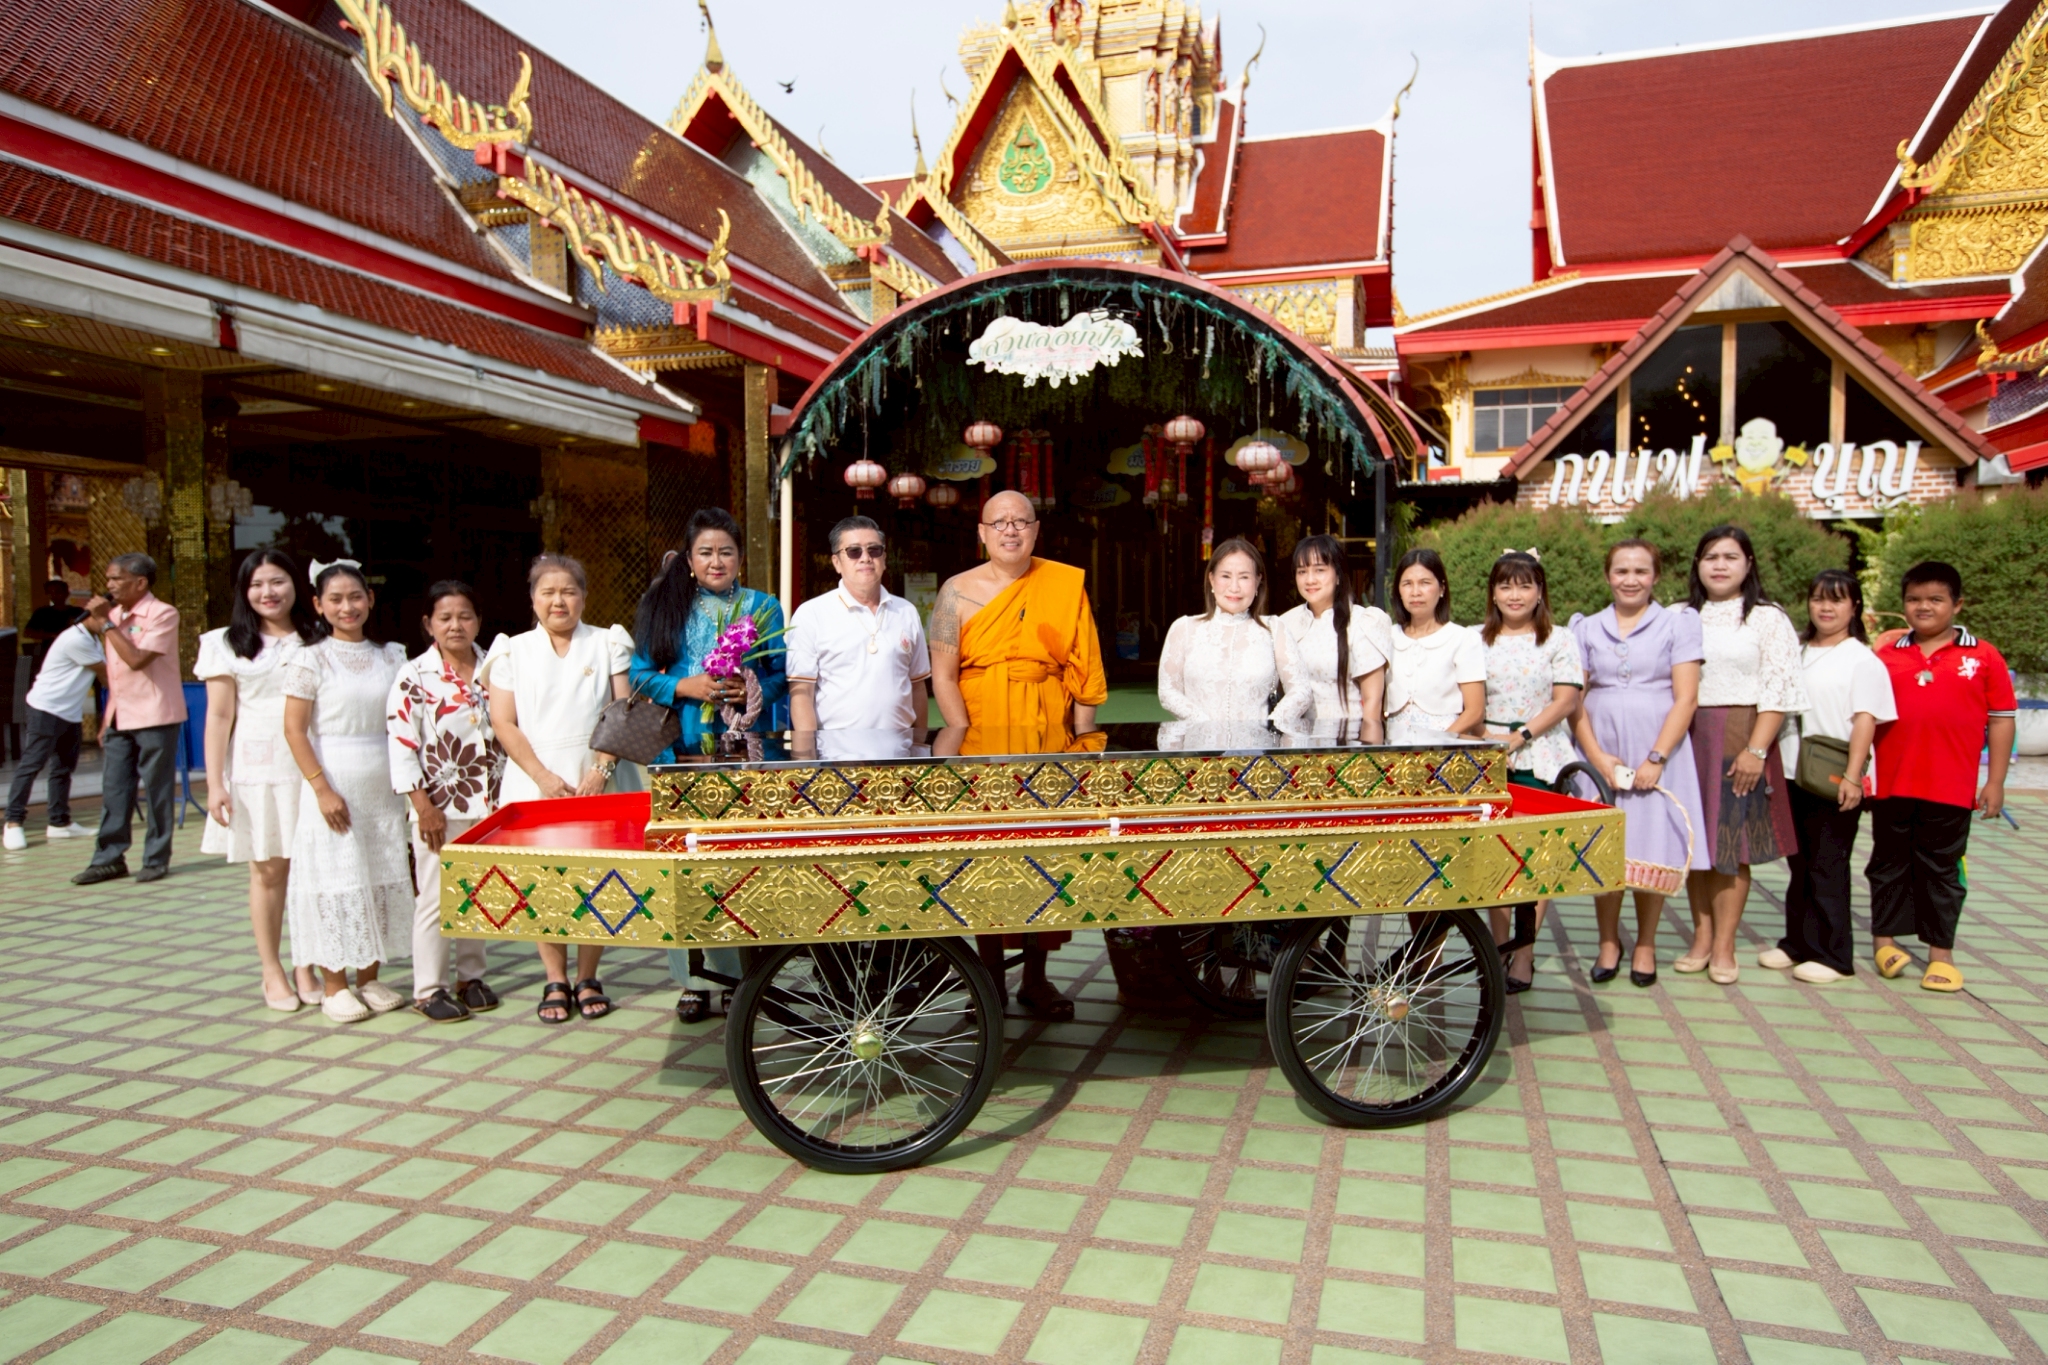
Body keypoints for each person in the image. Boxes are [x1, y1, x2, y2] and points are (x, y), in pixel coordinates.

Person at [930, 489, 1107, 1020]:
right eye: (999, 522)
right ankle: (987, 979)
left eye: (1020, 521)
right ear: (981, 532)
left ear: (1035, 530)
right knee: (985, 853)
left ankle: (1036, 978)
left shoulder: (1064, 584)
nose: (1010, 530)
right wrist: (960, 734)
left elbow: (1085, 669)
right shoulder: (954, 591)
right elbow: (942, 674)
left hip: (1048, 732)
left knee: (1045, 853)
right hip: (980, 733)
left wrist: (1082, 744)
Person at [629, 509, 788, 1022]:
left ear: (740, 557)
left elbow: (782, 675)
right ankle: (694, 980)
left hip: (747, 757)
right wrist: (685, 685)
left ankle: (750, 977)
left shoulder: (763, 607)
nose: (716, 561)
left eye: (725, 551)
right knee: (687, 868)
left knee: (746, 865)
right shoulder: (665, 605)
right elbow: (638, 675)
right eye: (705, 552)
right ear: (690, 560)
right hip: (683, 755)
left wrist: (751, 687)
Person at [488, 553, 633, 1024]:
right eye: (548, 592)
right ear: (532, 599)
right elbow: (503, 722)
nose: (559, 601)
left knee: (597, 878)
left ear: (584, 597)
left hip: (599, 774)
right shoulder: (511, 651)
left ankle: (589, 976)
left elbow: (622, 710)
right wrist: (542, 777)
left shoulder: (607, 641)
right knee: (544, 880)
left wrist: (602, 768)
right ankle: (555, 977)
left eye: (568, 591)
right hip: (534, 778)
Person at [1866, 561, 2015, 993]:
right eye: (1914, 599)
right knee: (1888, 863)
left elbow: (2002, 719)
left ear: (1957, 604)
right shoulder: (1884, 656)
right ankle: (1884, 942)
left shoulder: (1983, 656)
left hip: (1951, 788)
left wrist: (1995, 782)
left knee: (1943, 870)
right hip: (1891, 784)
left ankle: (1940, 954)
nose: (1924, 607)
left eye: (1935, 599)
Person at [1569, 539, 1708, 988]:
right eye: (1621, 571)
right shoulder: (1587, 628)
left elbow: (1686, 697)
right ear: (1608, 576)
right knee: (1605, 850)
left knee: (1652, 850)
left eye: (1641, 571)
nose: (1631, 580)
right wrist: (1596, 757)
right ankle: (1608, 941)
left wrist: (1656, 757)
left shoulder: (1676, 624)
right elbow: (1574, 699)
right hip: (1603, 747)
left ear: (1655, 577)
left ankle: (1646, 943)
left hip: (1658, 749)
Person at [280, 560, 412, 1023]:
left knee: (377, 875)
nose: (347, 607)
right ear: (318, 605)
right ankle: (334, 985)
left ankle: (369, 978)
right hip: (334, 782)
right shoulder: (309, 658)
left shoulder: (392, 655)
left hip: (383, 786)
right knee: (336, 881)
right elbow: (294, 730)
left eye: (355, 596)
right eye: (335, 599)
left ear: (370, 599)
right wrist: (322, 790)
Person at [199, 550, 323, 1012]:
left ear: (295, 586)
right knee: (268, 872)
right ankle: (272, 970)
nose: (268, 593)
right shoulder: (224, 643)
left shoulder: (318, 637)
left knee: (312, 869)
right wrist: (215, 783)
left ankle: (307, 963)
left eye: (277, 582)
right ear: (243, 591)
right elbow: (219, 717)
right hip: (258, 770)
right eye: (256, 584)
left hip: (313, 768)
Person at [1680, 526, 1805, 985]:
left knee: (1732, 844)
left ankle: (1725, 946)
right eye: (1710, 556)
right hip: (1688, 737)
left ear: (1748, 564)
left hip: (1741, 735)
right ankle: (1701, 938)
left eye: (1730, 557)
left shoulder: (1767, 618)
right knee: (1695, 844)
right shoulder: (1680, 615)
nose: (1720, 565)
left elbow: (1778, 688)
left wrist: (1756, 749)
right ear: (1697, 564)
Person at [1767, 571, 1894, 984]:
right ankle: (1797, 943)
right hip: (1791, 771)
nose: (1826, 608)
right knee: (1799, 863)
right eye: (1819, 598)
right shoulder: (1798, 651)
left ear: (1854, 607)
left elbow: (1865, 721)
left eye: (1837, 600)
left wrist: (1853, 777)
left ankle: (1834, 955)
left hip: (1833, 774)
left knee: (1828, 864)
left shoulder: (1862, 660)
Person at [388, 580, 505, 1023]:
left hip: (491, 804)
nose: (456, 625)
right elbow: (401, 744)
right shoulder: (414, 675)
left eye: (465, 616)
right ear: (428, 624)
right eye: (445, 618)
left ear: (478, 620)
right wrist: (423, 807)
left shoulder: (495, 669)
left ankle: (470, 977)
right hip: (440, 806)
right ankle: (428, 989)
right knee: (437, 896)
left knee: (477, 891)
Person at [1479, 550, 1584, 993]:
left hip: (1541, 757)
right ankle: (1497, 948)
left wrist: (1518, 737)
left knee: (1536, 860)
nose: (1515, 594)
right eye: (1506, 585)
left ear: (1540, 591)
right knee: (1493, 859)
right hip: (1488, 760)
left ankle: (1525, 953)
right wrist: (1488, 739)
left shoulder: (1559, 639)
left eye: (1525, 585)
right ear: (1493, 593)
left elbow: (1566, 700)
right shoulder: (1475, 639)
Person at [73, 554, 187, 886]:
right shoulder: (114, 615)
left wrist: (107, 625)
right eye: (108, 579)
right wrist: (107, 718)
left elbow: (136, 660)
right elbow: (115, 672)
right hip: (120, 715)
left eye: (116, 579)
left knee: (157, 790)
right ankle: (108, 859)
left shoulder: (162, 613)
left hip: (155, 714)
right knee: (115, 789)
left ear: (140, 582)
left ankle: (156, 858)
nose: (109, 585)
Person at [786, 515, 930, 734]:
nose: (865, 558)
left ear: (884, 558)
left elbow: (918, 687)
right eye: (854, 551)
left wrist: (919, 744)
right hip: (835, 748)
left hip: (899, 747)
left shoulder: (906, 611)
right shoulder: (811, 614)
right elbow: (801, 693)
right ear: (837, 562)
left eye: (874, 550)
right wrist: (808, 751)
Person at [5, 597, 105, 850]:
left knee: (63, 768)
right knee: (32, 764)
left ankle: (59, 823)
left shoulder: (94, 639)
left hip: (69, 712)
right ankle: (13, 822)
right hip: (46, 709)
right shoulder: (75, 639)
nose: (109, 623)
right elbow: (107, 676)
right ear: (90, 616)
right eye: (105, 617)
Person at [1271, 535, 1388, 741]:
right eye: (1302, 571)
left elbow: (1372, 704)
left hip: (1347, 741)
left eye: (1319, 570)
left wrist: (1367, 754)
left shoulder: (1362, 622)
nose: (1310, 580)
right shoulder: (1285, 623)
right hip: (1297, 742)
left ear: (1338, 575)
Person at [1156, 537, 1279, 729]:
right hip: (1198, 742)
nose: (1234, 587)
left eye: (1244, 577)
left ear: (1258, 581)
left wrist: (1274, 722)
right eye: (1225, 576)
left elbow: (1300, 691)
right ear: (1211, 579)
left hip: (1258, 742)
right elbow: (1168, 691)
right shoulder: (1183, 628)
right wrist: (1207, 726)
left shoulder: (1274, 628)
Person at [1383, 548, 1486, 744]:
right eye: (1407, 584)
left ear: (1442, 589)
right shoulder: (1387, 636)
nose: (1415, 592)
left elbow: (1475, 711)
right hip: (1394, 747)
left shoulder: (1463, 639)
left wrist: (1439, 743)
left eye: (1425, 583)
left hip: (1445, 747)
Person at [21, 578, 85, 676]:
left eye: (58, 592)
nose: (54, 596)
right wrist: (52, 636)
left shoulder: (77, 612)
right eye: (51, 593)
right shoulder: (43, 613)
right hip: (50, 652)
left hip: (74, 652)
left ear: (66, 593)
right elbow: (27, 632)